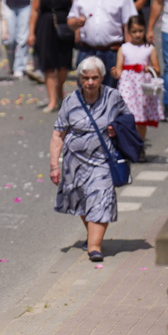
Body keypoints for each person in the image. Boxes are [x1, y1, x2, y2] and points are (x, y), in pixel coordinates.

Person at [50, 56, 130, 263]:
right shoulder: (70, 101)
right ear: (79, 79)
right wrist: (54, 166)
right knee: (83, 203)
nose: (90, 82)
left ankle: (94, 247)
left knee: (101, 199)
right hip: (74, 163)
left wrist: (116, 128)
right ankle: (92, 236)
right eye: (86, 78)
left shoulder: (113, 97)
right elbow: (58, 134)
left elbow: (128, 121)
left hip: (102, 160)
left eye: (94, 78)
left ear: (102, 77)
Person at [67, 0, 138, 88]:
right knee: (85, 90)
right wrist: (77, 22)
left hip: (111, 52)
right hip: (87, 50)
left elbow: (129, 25)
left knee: (110, 92)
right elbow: (70, 21)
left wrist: (130, 53)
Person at [29, 0, 78, 113]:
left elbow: (76, 7)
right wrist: (31, 32)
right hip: (45, 25)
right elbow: (35, 10)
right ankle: (52, 100)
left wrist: (77, 29)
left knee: (63, 65)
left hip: (65, 25)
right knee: (48, 65)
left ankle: (59, 89)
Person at [112, 15, 163, 147]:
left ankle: (140, 145)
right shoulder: (124, 48)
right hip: (128, 85)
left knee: (141, 118)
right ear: (128, 31)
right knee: (127, 114)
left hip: (142, 87)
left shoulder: (149, 48)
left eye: (140, 31)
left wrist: (149, 68)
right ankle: (128, 144)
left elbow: (157, 70)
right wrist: (115, 73)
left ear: (144, 30)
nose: (137, 34)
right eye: (134, 31)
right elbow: (119, 70)